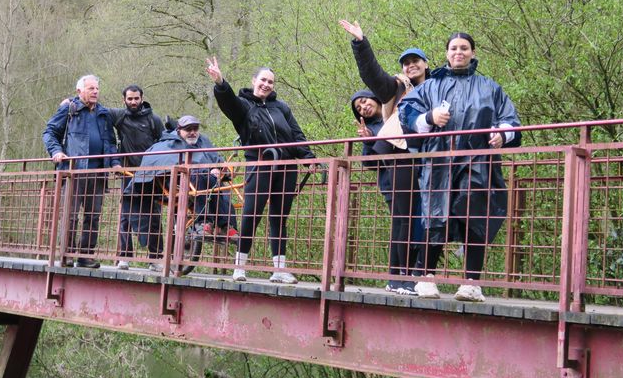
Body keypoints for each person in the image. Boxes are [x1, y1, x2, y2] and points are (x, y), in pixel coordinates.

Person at [399, 32, 521, 302]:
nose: (459, 52)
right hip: (439, 161)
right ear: (446, 53)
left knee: (475, 217)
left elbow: (510, 120)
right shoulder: (431, 87)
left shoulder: (490, 87)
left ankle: (471, 282)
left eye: (464, 48)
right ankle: (426, 278)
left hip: (478, 162)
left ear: (473, 53)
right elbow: (406, 113)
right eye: (453, 48)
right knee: (434, 216)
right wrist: (429, 117)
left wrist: (503, 135)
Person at [339, 20, 434, 297]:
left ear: (426, 63)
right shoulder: (397, 87)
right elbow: (373, 76)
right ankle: (398, 277)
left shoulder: (438, 86)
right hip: (401, 153)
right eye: (406, 63)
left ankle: (417, 275)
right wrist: (361, 43)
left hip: (428, 157)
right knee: (403, 217)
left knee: (427, 219)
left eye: (415, 61)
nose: (410, 66)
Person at [206, 57, 316, 284]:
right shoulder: (245, 106)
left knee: (279, 217)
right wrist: (221, 83)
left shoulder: (282, 108)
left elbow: (296, 135)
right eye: (263, 80)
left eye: (271, 82)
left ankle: (279, 270)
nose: (266, 84)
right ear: (254, 81)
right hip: (260, 164)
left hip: (286, 167)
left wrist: (309, 158)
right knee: (251, 215)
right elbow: (229, 104)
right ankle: (240, 267)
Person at [124, 115, 238, 270]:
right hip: (179, 180)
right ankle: (202, 222)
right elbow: (162, 160)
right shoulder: (168, 144)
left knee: (220, 188)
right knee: (200, 177)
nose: (192, 132)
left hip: (205, 178)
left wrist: (220, 168)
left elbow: (216, 158)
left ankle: (226, 225)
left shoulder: (203, 142)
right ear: (179, 130)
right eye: (188, 129)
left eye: (195, 129)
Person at [43, 75, 122, 268]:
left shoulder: (103, 114)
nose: (95, 92)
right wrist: (57, 151)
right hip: (73, 172)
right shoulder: (69, 109)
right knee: (70, 215)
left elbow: (110, 142)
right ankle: (66, 254)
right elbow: (49, 132)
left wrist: (115, 162)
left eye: (97, 88)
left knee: (93, 216)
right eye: (91, 88)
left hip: (97, 174)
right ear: (80, 91)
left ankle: (85, 256)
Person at [107, 85, 166, 269]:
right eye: (130, 99)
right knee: (126, 215)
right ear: (124, 100)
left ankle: (155, 258)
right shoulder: (119, 116)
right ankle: (124, 256)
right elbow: (98, 111)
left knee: (154, 216)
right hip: (128, 173)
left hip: (152, 175)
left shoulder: (153, 120)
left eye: (136, 98)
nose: (133, 102)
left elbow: (165, 143)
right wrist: (70, 103)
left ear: (142, 98)